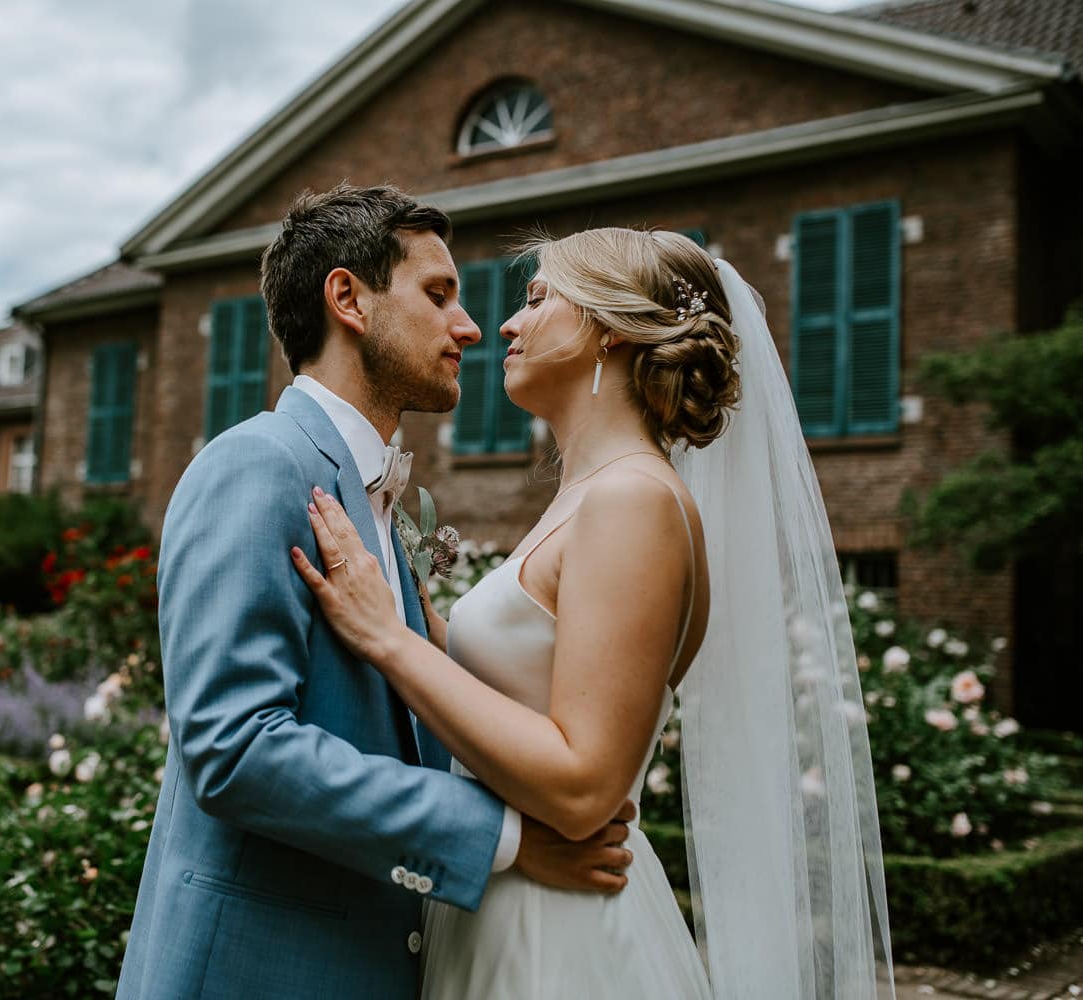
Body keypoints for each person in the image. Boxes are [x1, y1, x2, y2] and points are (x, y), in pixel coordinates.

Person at [293, 227, 896, 998]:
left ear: (610, 328)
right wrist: (397, 595)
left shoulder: (633, 501)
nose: (505, 324)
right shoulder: (589, 495)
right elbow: (515, 686)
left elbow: (584, 786)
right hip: (503, 904)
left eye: (539, 298)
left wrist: (387, 638)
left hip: (559, 933)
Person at [115, 186, 637, 1000]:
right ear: (348, 299)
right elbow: (235, 748)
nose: (469, 327)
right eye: (438, 295)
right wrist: (502, 839)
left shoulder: (379, 509)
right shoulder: (258, 465)